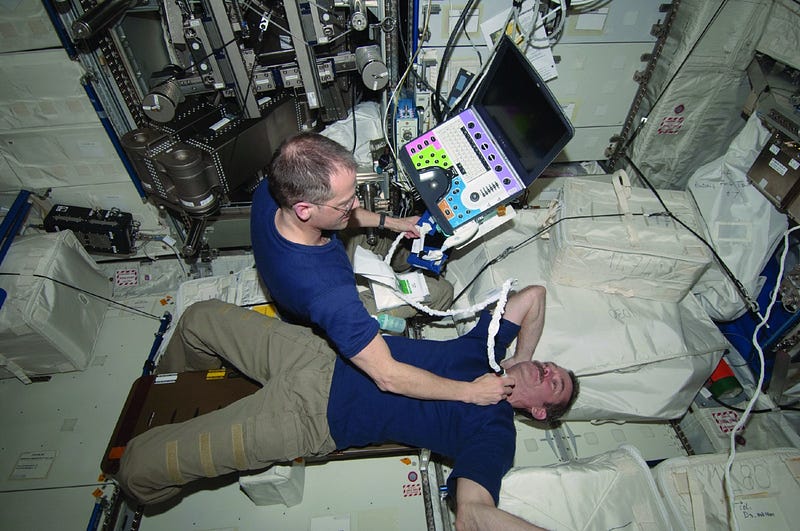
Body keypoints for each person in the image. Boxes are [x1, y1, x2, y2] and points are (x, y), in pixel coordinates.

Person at [116, 285, 578, 530]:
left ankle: (153, 486)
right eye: (552, 365)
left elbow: (474, 513)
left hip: (309, 416)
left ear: (539, 412)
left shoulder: (496, 433)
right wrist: (518, 358)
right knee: (198, 319)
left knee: (138, 467)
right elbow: (534, 296)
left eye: (553, 383)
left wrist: (485, 393)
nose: (548, 369)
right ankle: (171, 389)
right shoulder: (487, 354)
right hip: (319, 353)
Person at [250, 132, 510, 405]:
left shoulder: (272, 191)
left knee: (407, 248)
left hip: (322, 264)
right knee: (441, 292)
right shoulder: (330, 295)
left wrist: (392, 222)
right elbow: (388, 376)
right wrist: (471, 393)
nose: (356, 205)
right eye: (345, 204)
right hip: (320, 306)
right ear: (304, 210)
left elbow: (340, 215)